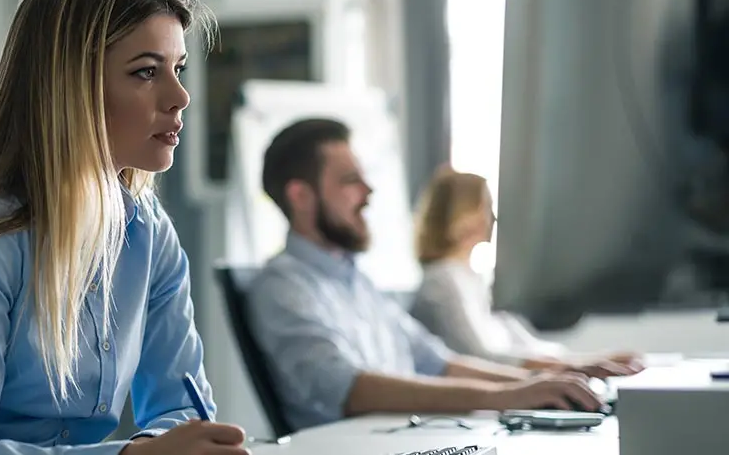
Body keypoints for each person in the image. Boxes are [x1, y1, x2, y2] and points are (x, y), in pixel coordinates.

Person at [0, 0, 248, 455]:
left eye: (177, 70)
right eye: (145, 72)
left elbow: (182, 410)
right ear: (74, 87)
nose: (180, 96)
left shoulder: (148, 234)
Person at [245, 118, 608, 432]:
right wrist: (507, 396)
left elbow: (437, 362)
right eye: (350, 180)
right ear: (301, 196)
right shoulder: (282, 286)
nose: (368, 192)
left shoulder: (356, 282)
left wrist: (537, 384)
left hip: (406, 438)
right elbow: (349, 390)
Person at [409, 166, 643, 376]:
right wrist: (577, 367)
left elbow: (525, 345)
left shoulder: (473, 280)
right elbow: (480, 357)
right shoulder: (441, 282)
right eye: (486, 207)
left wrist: (591, 361)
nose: (492, 218)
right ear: (465, 214)